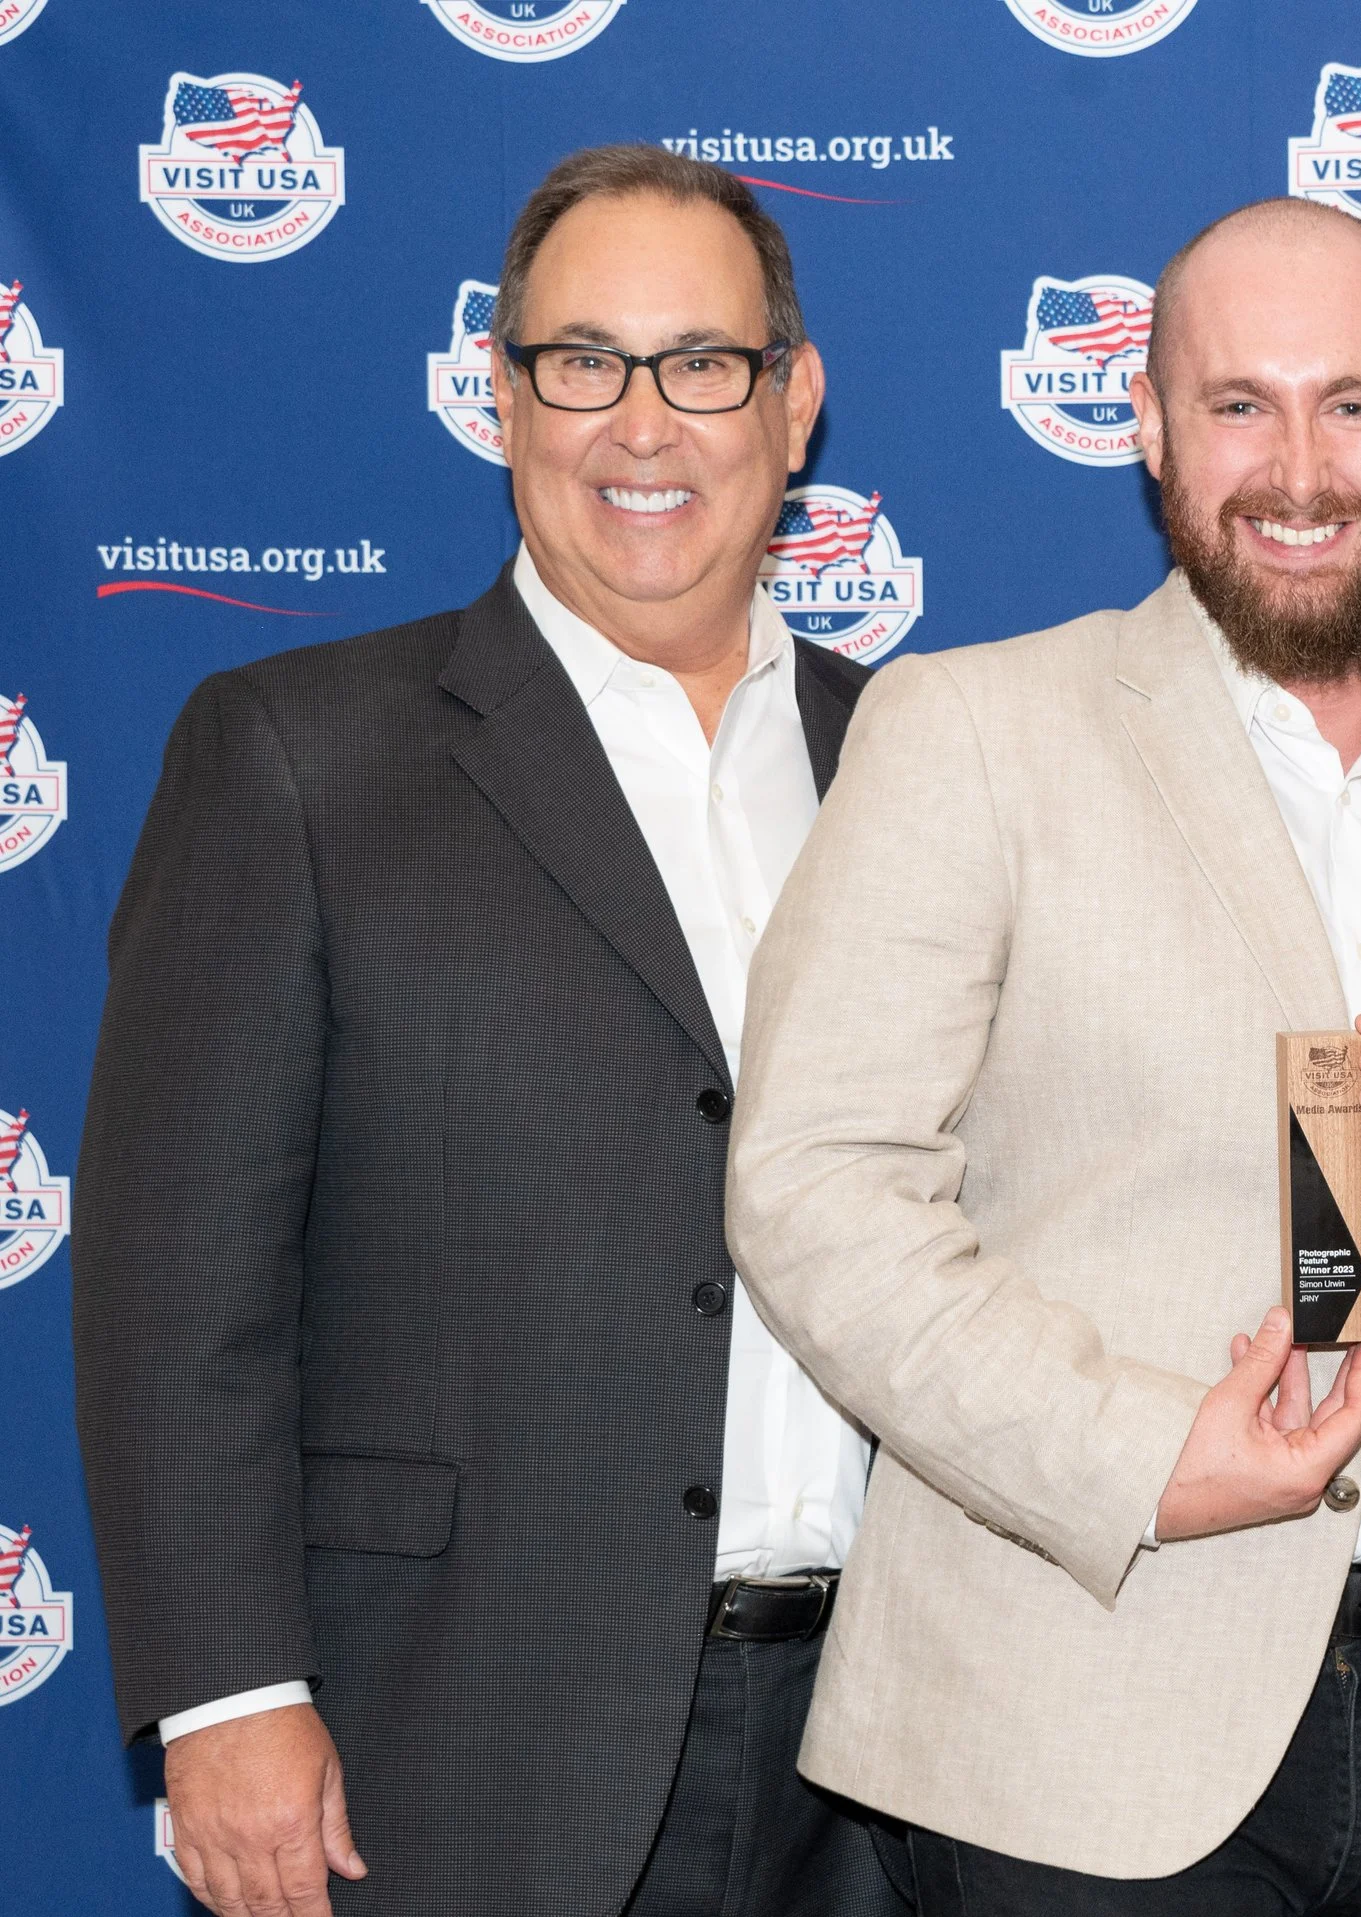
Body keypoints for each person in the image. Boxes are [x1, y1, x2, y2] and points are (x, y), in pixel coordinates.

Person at [724, 195, 1361, 1916]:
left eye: (1351, 402)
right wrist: (1141, 1454)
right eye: (1240, 404)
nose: (1300, 467)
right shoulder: (972, 731)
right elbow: (816, 1188)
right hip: (1071, 1715)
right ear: (1153, 426)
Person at [75, 146, 909, 1917]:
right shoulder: (298, 755)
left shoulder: (919, 760)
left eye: (702, 363)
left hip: (893, 1742)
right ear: (500, 396)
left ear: (794, 398)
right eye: (581, 363)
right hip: (464, 1726)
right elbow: (172, 1288)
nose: (642, 423)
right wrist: (228, 1696)